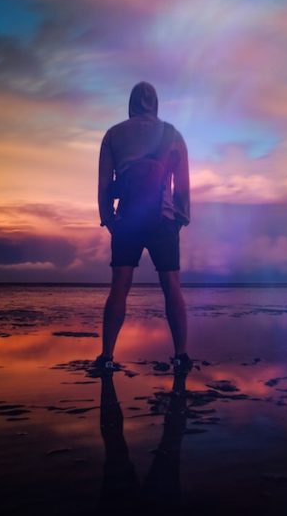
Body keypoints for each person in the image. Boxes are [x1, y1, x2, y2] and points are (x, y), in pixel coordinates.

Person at [93, 81, 192, 375]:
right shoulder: (173, 134)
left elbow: (104, 183)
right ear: (156, 102)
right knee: (171, 286)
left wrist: (108, 218)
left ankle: (107, 356)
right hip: (163, 220)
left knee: (119, 288)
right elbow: (182, 184)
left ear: (131, 102)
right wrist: (181, 218)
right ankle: (180, 356)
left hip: (127, 221)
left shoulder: (113, 134)